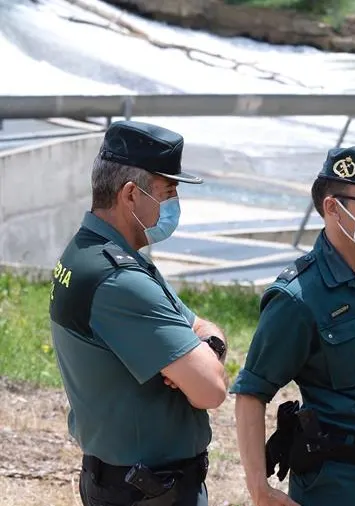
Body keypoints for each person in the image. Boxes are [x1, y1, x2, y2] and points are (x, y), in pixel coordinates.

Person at [232, 146, 355, 506]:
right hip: (335, 479)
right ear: (332, 208)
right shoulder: (298, 296)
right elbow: (251, 392)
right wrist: (259, 488)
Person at [49, 120, 230, 506]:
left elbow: (200, 325)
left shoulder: (93, 253)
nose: (175, 204)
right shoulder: (118, 279)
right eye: (168, 191)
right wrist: (199, 360)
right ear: (131, 194)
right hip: (148, 491)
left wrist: (207, 344)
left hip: (128, 482)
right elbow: (211, 390)